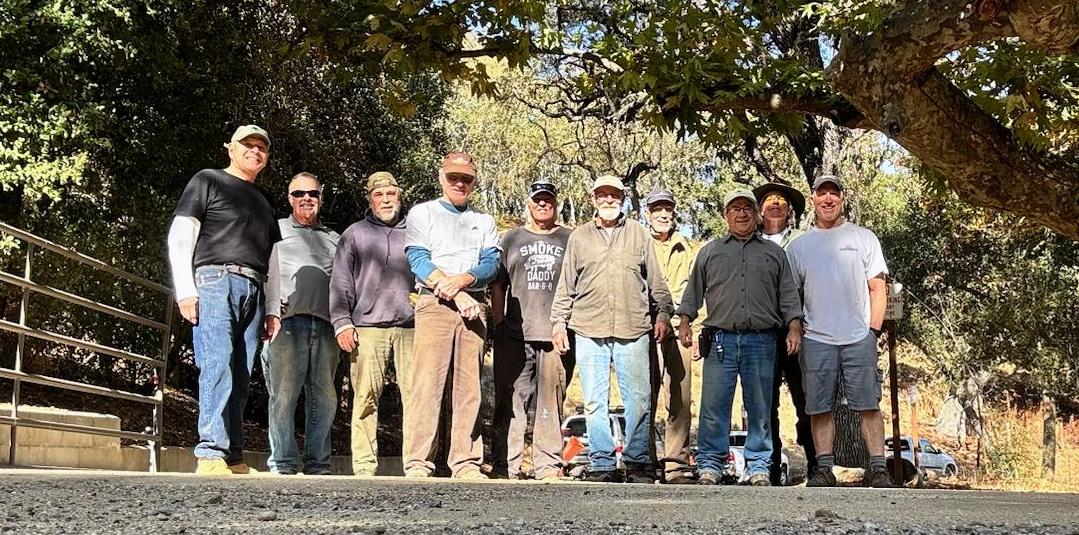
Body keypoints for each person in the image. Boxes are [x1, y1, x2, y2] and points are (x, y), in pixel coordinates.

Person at [167, 124, 280, 475]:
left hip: (254, 287)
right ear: (230, 148)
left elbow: (273, 259)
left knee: (241, 374)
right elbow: (181, 234)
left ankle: (233, 456)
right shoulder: (208, 180)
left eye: (262, 146)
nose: (255, 151)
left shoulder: (265, 200)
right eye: (248, 144)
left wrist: (273, 308)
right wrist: (185, 289)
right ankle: (211, 451)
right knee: (217, 363)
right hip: (215, 280)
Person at [550, 175, 674, 483]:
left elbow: (656, 282)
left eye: (614, 195)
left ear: (622, 198)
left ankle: (637, 462)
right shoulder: (579, 237)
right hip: (588, 328)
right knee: (594, 400)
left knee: (640, 398)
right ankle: (602, 463)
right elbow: (566, 284)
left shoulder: (639, 234)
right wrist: (558, 323)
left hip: (634, 328)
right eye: (602, 195)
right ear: (593, 199)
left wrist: (663, 314)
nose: (608, 200)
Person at [675, 190, 802, 486]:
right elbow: (693, 291)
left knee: (759, 406)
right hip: (720, 339)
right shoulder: (710, 251)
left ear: (756, 214)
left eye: (747, 208)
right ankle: (710, 465)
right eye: (735, 208)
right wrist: (684, 321)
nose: (742, 213)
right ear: (726, 215)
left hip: (762, 340)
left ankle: (758, 466)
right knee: (713, 406)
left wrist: (794, 327)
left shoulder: (774, 254)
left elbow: (787, 296)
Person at [786, 175, 894, 488]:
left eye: (834, 193)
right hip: (817, 338)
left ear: (842, 198)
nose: (828, 199)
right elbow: (792, 295)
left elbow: (878, 287)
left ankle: (878, 468)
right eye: (823, 194)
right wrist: (797, 327)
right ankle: (823, 469)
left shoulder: (863, 238)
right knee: (819, 407)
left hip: (858, 337)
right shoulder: (800, 246)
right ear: (814, 199)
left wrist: (872, 331)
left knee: (868, 405)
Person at [402, 152, 499, 479]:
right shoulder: (423, 213)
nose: (459, 183)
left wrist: (465, 281)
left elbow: (490, 265)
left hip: (474, 307)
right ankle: (418, 462)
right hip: (435, 304)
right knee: (427, 384)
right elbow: (418, 260)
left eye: (466, 178)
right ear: (441, 177)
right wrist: (456, 293)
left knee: (469, 388)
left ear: (473, 181)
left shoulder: (483, 221)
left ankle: (465, 463)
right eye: (453, 177)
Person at [329, 171, 415, 477]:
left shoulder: (417, 231)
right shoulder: (354, 234)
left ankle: (416, 465)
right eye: (379, 195)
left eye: (391, 193)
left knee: (416, 399)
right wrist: (342, 322)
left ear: (399, 196)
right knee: (364, 398)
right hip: (367, 327)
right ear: (370, 199)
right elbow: (340, 282)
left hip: (412, 327)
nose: (386, 199)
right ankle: (365, 466)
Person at [490, 179, 574, 480]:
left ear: (556, 204)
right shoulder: (511, 238)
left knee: (551, 404)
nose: (542, 204)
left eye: (548, 199)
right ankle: (505, 466)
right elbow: (497, 285)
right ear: (529, 204)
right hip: (514, 334)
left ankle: (548, 466)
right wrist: (498, 324)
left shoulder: (570, 238)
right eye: (537, 199)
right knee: (510, 402)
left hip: (556, 335)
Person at [262, 172, 340, 475]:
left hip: (325, 326)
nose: (306, 198)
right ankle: (283, 462)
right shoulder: (275, 230)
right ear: (289, 198)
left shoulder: (335, 239)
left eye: (313, 193)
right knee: (282, 396)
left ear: (321, 198)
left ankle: (318, 463)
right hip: (284, 324)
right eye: (299, 193)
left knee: (325, 398)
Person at [752, 181, 816, 485]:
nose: (775, 203)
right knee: (764, 403)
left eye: (781, 200)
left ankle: (818, 464)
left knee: (805, 399)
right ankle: (769, 467)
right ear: (760, 210)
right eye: (769, 200)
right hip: (762, 332)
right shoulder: (747, 242)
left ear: (790, 210)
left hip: (799, 329)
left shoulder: (803, 243)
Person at [642, 184, 698, 483]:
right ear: (647, 213)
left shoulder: (687, 247)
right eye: (656, 209)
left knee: (680, 398)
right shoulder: (638, 242)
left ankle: (676, 464)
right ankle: (645, 462)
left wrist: (697, 329)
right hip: (645, 329)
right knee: (644, 397)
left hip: (681, 329)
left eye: (667, 209)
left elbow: (699, 291)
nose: (663, 214)